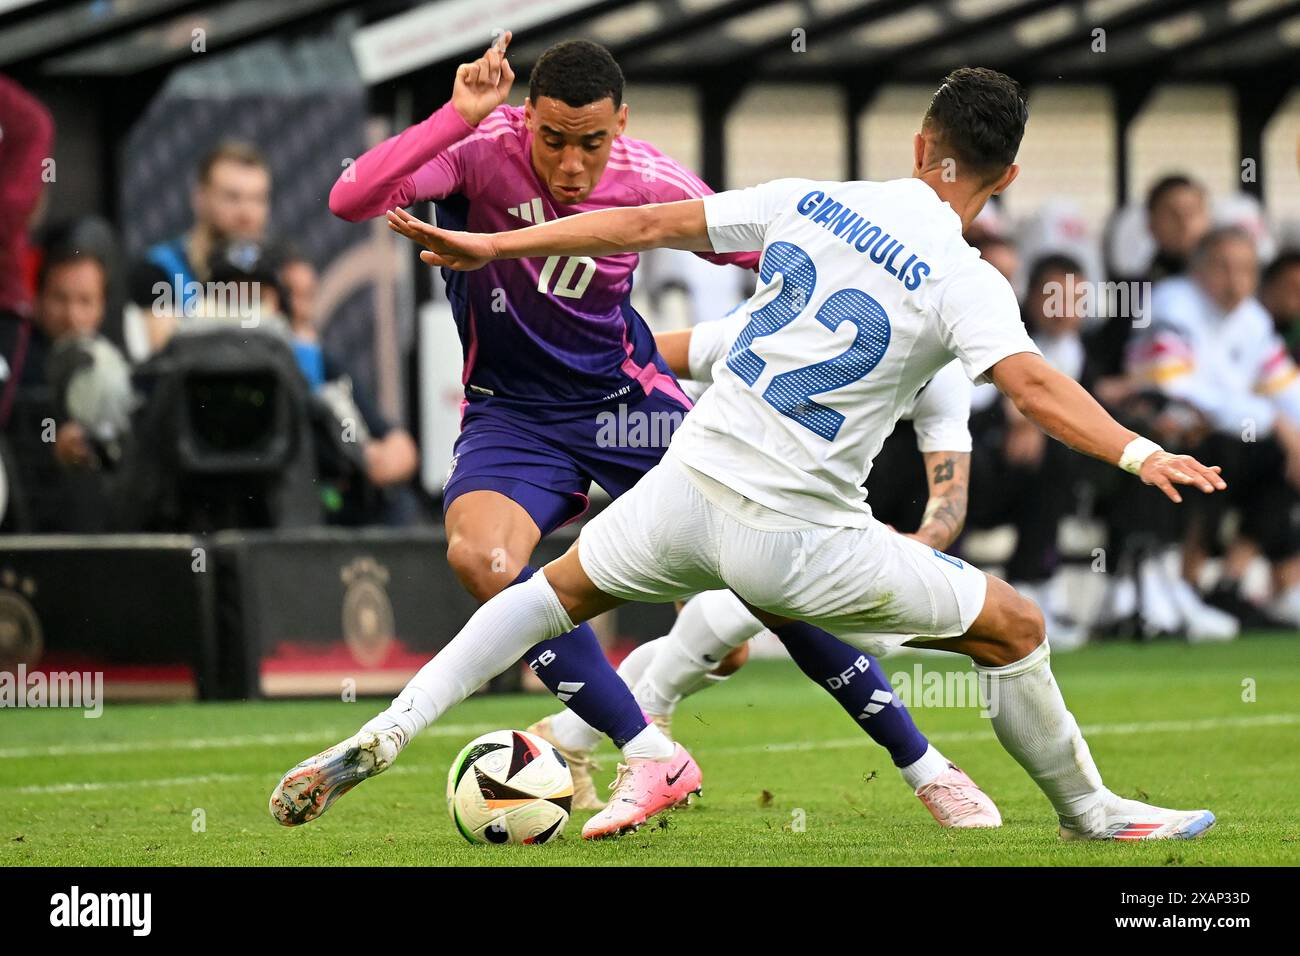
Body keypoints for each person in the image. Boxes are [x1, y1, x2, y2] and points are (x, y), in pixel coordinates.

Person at [276, 67, 1224, 843]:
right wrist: (1140, 452)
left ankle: (388, 729)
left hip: (688, 483)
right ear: (1004, 179)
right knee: (1013, 627)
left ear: (917, 146)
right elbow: (1033, 389)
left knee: (541, 596)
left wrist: (497, 248)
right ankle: (1088, 811)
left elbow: (643, 225)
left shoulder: (810, 199)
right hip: (796, 536)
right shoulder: (964, 279)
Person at [321, 34, 993, 827]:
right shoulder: (475, 151)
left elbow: (772, 245)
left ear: (622, 126)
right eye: (553, 140)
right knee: (483, 558)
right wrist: (456, 113)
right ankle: (648, 752)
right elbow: (351, 199)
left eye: (592, 143)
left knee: (765, 593)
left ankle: (925, 766)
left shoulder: (649, 177)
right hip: (513, 413)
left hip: (626, 404)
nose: (571, 165)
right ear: (524, 117)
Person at [532, 315, 996, 828]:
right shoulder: (794, 327)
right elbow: (647, 353)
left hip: (773, 497)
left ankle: (571, 735)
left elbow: (950, 497)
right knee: (776, 600)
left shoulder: (940, 371)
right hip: (690, 465)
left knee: (728, 652)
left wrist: (915, 547)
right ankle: (652, 720)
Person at [1130, 227, 1300, 627]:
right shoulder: (1172, 302)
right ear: (1198, 269)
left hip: (1238, 442)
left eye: (1245, 269)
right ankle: (1186, 586)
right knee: (1221, 456)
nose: (1235, 279)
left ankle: (1231, 582)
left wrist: (1292, 432)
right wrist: (1272, 420)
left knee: (1283, 463)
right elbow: (1172, 381)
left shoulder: (1253, 318)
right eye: (1223, 267)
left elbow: (1285, 386)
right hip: (1170, 442)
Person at [134, 141, 272, 350]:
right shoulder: (158, 272)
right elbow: (167, 363)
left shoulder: (275, 277)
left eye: (257, 199)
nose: (247, 213)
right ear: (200, 199)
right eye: (232, 197)